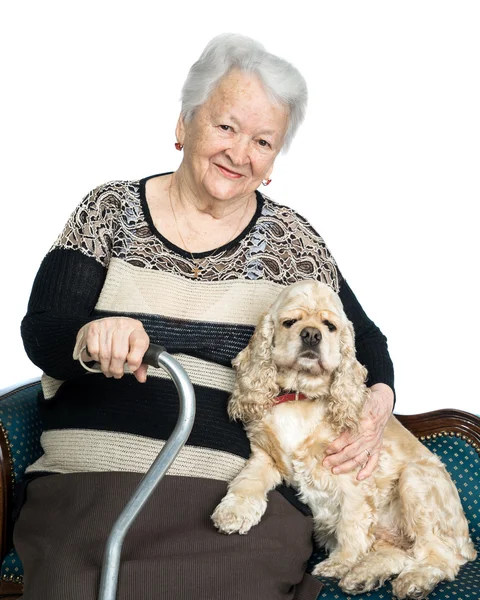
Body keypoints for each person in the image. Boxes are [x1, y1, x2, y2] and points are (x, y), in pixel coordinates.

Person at [17, 33, 395, 600]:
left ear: (272, 162)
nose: (240, 153)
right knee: (88, 577)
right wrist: (89, 336)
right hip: (94, 485)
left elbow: (365, 341)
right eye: (226, 127)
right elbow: (43, 332)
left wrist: (377, 402)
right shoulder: (108, 212)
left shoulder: (292, 243)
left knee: (233, 578)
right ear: (182, 126)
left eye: (263, 141)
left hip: (234, 492)